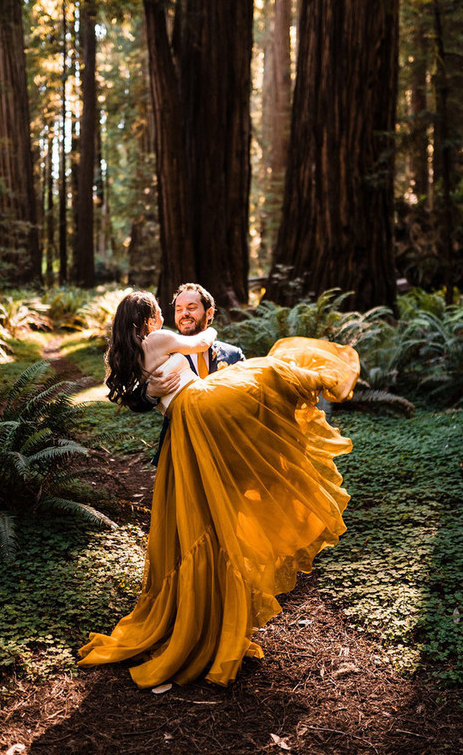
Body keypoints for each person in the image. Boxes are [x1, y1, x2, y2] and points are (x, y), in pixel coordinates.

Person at [78, 290, 359, 689]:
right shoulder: (160, 340)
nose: (174, 317)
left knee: (262, 378)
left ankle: (217, 617)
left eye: (188, 308)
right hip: (198, 415)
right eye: (168, 311)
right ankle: (318, 380)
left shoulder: (134, 353)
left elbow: (128, 381)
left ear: (207, 311)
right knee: (270, 372)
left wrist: (158, 380)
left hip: (200, 425)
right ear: (150, 319)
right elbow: (201, 343)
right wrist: (161, 380)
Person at [130, 283, 245, 464]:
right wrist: (150, 393)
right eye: (179, 309)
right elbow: (133, 402)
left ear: (209, 314)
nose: (184, 314)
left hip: (227, 450)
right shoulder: (162, 352)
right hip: (181, 452)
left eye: (191, 308)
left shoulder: (233, 355)